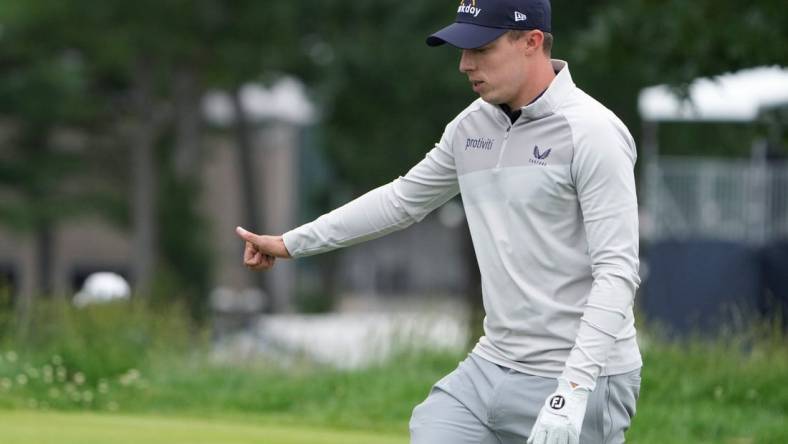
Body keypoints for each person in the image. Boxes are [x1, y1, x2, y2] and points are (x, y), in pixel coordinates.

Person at [236, 0, 642, 442]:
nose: (465, 65)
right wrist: (292, 243)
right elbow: (401, 200)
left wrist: (574, 389)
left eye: (481, 49)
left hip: (583, 375)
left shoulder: (593, 133)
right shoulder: (470, 128)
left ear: (532, 42)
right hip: (491, 365)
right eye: (461, 50)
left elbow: (617, 273)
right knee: (433, 425)